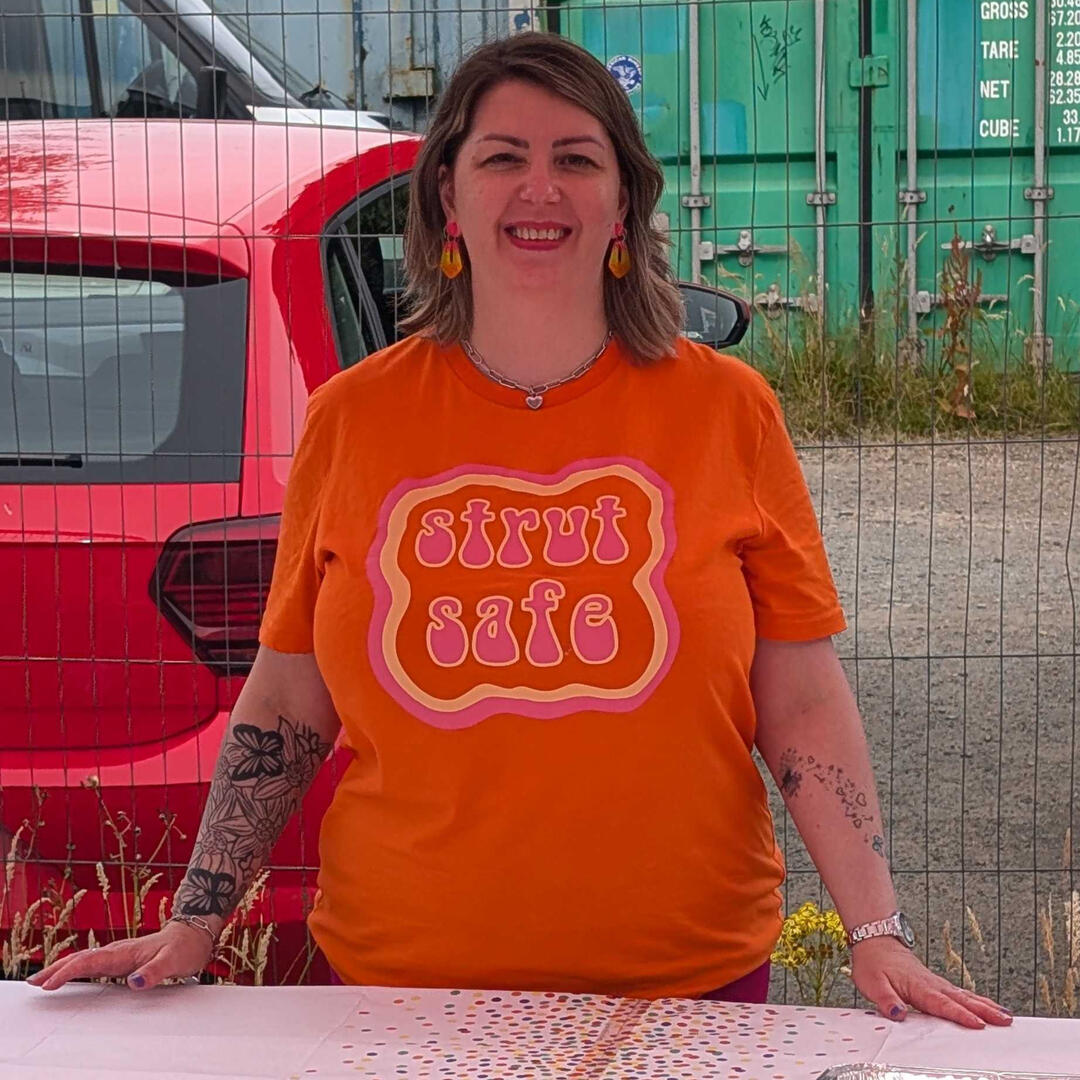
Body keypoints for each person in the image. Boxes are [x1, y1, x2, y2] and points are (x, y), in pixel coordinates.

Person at [29, 32, 1012, 1029]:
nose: (540, 187)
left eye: (577, 159)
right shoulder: (352, 421)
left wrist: (876, 930)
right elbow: (286, 703)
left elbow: (799, 700)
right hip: (396, 993)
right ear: (448, 199)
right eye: (503, 157)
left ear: (623, 202)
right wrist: (197, 921)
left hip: (689, 994)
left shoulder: (728, 412)